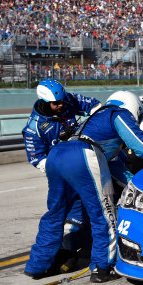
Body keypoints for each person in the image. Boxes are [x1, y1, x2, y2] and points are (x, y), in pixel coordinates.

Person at [24, 91, 143, 283]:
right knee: (104, 215)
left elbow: (111, 167)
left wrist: (131, 181)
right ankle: (101, 268)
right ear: (135, 107)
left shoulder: (92, 120)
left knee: (55, 214)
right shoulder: (117, 113)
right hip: (83, 155)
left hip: (56, 156)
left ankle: (37, 266)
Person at [22, 79, 102, 272]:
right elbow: (37, 159)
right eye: (55, 103)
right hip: (60, 175)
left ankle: (80, 249)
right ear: (44, 102)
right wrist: (61, 169)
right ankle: (38, 266)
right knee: (56, 216)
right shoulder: (34, 129)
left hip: (84, 162)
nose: (61, 105)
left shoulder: (68, 100)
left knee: (87, 211)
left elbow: (97, 107)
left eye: (61, 101)